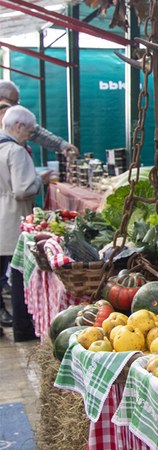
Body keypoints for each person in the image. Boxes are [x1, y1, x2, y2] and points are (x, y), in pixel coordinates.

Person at [0, 105, 50, 339]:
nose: (29, 135)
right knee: (18, 275)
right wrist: (39, 181)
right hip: (10, 218)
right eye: (29, 131)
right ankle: (22, 328)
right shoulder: (16, 151)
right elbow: (22, 189)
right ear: (18, 126)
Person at [0, 80, 79, 159]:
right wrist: (62, 145)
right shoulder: (6, 112)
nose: (15, 107)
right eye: (13, 102)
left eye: (17, 103)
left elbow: (35, 131)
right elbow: (36, 132)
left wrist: (62, 145)